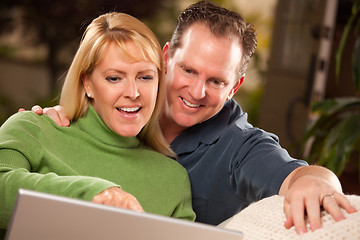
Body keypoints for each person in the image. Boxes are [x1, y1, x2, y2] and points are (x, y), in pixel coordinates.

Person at [26, 1, 357, 235]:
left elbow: (301, 176)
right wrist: (48, 124)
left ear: (235, 87)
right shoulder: (127, 104)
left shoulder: (239, 145)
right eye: (188, 70)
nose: (197, 91)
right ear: (167, 57)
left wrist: (318, 183)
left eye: (216, 81)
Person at [0, 12, 196, 231]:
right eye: (114, 78)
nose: (133, 92)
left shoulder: (173, 180)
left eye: (145, 77)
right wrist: (92, 195)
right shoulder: (32, 129)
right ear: (88, 84)